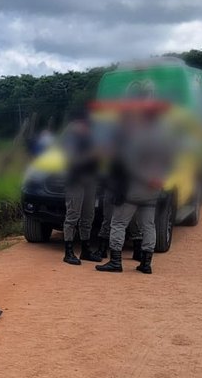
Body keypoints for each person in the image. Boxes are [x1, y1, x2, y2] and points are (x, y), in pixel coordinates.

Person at [96, 106, 176, 275]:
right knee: (149, 225)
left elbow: (130, 164)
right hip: (153, 190)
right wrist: (158, 179)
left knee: (118, 223)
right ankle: (146, 264)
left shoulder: (138, 138)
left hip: (133, 189)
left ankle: (115, 261)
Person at [61, 112, 99, 265]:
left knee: (88, 216)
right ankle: (68, 251)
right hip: (75, 180)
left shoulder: (91, 136)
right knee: (72, 216)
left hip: (90, 179)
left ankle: (86, 249)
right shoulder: (70, 138)